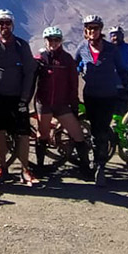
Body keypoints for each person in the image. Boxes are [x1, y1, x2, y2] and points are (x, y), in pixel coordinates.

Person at [0, 9, 38, 186]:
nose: (4, 26)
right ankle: (2, 168)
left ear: (12, 24)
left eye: (7, 23)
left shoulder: (22, 45)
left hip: (17, 97)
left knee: (23, 134)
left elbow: (30, 72)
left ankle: (25, 169)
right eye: (1, 23)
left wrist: (25, 98)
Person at [73, 14, 128, 187]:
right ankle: (94, 160)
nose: (92, 31)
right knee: (93, 129)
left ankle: (100, 167)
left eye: (95, 28)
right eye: (89, 28)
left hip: (108, 96)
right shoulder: (82, 47)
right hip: (90, 95)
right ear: (85, 30)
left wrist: (125, 89)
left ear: (101, 30)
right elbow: (74, 66)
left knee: (101, 131)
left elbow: (122, 69)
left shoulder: (111, 49)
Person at [34, 26, 89, 178]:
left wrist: (74, 104)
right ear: (45, 41)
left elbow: (73, 83)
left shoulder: (67, 59)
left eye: (57, 40)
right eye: (50, 39)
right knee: (42, 135)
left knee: (77, 134)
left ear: (61, 41)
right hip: (44, 103)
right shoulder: (39, 59)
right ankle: (40, 166)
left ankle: (85, 166)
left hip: (62, 104)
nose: (53, 42)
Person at [108, 26, 128, 105]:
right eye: (113, 35)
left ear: (122, 36)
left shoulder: (127, 48)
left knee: (124, 104)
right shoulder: (105, 48)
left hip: (123, 80)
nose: (115, 38)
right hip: (107, 81)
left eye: (118, 35)